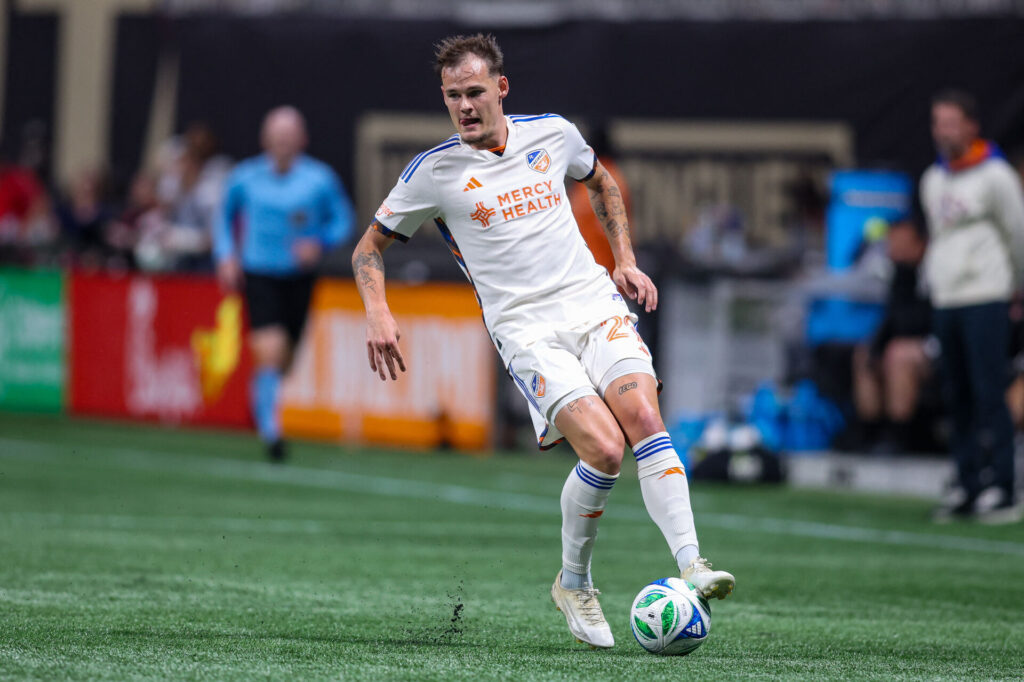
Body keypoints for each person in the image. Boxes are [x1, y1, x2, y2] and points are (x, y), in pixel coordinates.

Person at [351, 34, 734, 649]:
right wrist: (378, 312)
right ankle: (574, 582)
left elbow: (602, 183)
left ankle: (693, 564)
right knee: (606, 452)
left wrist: (625, 259)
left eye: (475, 92)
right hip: (524, 329)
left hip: (591, 302)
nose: (465, 107)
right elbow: (368, 248)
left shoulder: (552, 133)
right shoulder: (434, 172)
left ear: (501, 88)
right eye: (453, 97)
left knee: (642, 414)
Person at [214, 106, 356, 462]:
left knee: (285, 360)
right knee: (271, 349)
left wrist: (320, 242)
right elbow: (223, 217)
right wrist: (226, 256)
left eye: (289, 137)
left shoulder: (319, 179)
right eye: (277, 137)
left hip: (300, 278)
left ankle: (262, 393)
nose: (283, 144)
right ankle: (271, 431)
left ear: (301, 140)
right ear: (266, 140)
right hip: (259, 274)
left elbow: (343, 219)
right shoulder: (245, 177)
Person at [922, 90, 1024, 524]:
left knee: (988, 392)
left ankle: (1002, 486)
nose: (943, 132)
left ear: (971, 126)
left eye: (950, 122)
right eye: (937, 123)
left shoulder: (996, 175)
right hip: (947, 301)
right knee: (957, 396)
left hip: (987, 295)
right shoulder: (933, 178)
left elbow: (1018, 233)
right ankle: (967, 485)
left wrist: (1017, 288)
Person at [851, 220, 933, 452]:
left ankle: (900, 437)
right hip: (907, 343)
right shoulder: (898, 272)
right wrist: (876, 347)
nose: (891, 247)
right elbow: (893, 318)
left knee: (898, 354)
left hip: (941, 344)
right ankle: (870, 433)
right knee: (864, 353)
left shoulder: (937, 270)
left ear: (919, 244)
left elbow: (924, 320)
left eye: (899, 241)